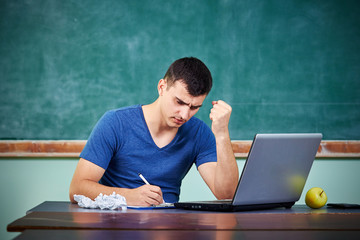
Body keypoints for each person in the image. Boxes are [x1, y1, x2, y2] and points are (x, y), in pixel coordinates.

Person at [69, 57, 239, 206]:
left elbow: (226, 194)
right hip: (116, 223)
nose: (185, 114)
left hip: (169, 228)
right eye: (179, 102)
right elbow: (77, 189)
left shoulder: (199, 132)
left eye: (194, 107)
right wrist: (128, 196)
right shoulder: (115, 122)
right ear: (161, 87)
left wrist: (222, 133)